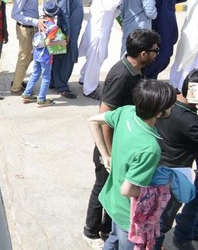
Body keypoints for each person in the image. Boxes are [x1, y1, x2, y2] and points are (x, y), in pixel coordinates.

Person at [81, 29, 161, 248]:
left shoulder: (135, 71)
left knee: (116, 189)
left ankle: (108, 229)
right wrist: (108, 154)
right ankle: (91, 230)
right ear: (143, 54)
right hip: (111, 146)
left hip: (120, 143)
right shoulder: (122, 75)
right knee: (103, 185)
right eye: (155, 51)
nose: (157, 54)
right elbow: (104, 117)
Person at [88, 80, 175, 250]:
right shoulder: (150, 148)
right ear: (159, 112)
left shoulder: (127, 112)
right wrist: (159, 191)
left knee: (113, 238)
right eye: (170, 105)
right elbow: (127, 190)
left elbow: (92, 121)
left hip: (112, 200)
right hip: (128, 215)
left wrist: (106, 155)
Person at [153, 69, 198, 250]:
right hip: (173, 179)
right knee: (161, 223)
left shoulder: (168, 101)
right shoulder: (191, 122)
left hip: (158, 169)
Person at [146, 0, 197, 79]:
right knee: (164, 52)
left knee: (169, 49)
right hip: (162, 17)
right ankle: (148, 76)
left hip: (171, 16)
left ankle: (153, 77)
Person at [78, 0, 126, 100]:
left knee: (100, 56)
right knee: (96, 57)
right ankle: (89, 88)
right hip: (99, 30)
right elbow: (109, 6)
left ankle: (83, 76)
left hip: (101, 27)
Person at [10, 0, 47, 94]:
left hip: (32, 27)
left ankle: (17, 80)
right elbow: (15, 14)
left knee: (30, 56)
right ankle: (16, 87)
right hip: (25, 28)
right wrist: (34, 21)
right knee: (24, 57)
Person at [21, 0, 64, 107]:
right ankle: (41, 99)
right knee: (46, 78)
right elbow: (48, 42)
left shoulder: (41, 22)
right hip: (46, 56)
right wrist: (61, 42)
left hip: (37, 53)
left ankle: (26, 94)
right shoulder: (54, 27)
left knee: (35, 74)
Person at [52, 0, 84, 99]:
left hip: (72, 31)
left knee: (62, 59)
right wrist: (66, 34)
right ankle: (62, 87)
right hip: (67, 33)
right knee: (66, 60)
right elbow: (63, 13)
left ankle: (55, 82)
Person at [170, 0, 198, 90]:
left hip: (188, 37)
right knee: (190, 67)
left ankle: (177, 87)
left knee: (182, 64)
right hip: (194, 41)